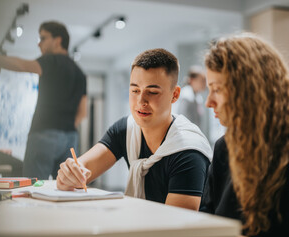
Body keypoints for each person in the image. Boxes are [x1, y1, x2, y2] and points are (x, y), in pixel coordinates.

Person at [57, 48, 212, 210]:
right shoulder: (127, 129)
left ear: (175, 94)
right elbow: (83, 168)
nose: (141, 101)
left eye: (152, 92)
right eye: (135, 90)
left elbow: (177, 228)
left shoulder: (188, 151)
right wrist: (69, 174)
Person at [200, 33, 289, 237]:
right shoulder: (223, 149)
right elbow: (207, 223)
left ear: (248, 90)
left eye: (217, 89)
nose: (209, 102)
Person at [0, 21, 87, 179]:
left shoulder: (51, 61)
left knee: (33, 187)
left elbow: (22, 65)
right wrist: (65, 127)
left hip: (44, 133)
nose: (39, 43)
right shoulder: (80, 73)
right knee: (65, 188)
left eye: (43, 38)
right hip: (70, 138)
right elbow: (83, 112)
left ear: (58, 40)